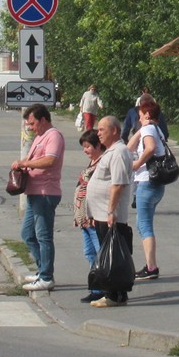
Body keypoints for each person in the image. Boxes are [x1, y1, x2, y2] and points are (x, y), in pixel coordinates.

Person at [10, 104, 64, 292]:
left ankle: (47, 277)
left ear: (43, 119)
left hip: (46, 192)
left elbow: (50, 160)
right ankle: (43, 270)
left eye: (32, 123)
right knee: (28, 234)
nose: (30, 127)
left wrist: (25, 162)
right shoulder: (39, 137)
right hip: (34, 192)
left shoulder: (53, 136)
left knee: (43, 236)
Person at [86, 116, 134, 307]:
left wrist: (111, 211)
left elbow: (117, 184)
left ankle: (116, 295)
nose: (98, 133)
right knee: (108, 253)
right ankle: (111, 291)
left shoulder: (119, 152)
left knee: (114, 255)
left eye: (102, 129)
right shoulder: (111, 151)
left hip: (111, 215)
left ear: (114, 131)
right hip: (101, 213)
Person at [128, 100, 170, 279]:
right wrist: (140, 129)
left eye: (140, 114)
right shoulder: (154, 129)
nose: (138, 117)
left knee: (144, 225)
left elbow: (150, 148)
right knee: (143, 224)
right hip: (155, 183)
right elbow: (129, 147)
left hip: (147, 182)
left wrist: (138, 163)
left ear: (146, 114)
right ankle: (150, 265)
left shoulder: (148, 130)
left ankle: (151, 267)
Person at [73, 127, 105, 304]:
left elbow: (96, 192)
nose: (85, 150)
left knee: (99, 253)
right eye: (83, 147)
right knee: (90, 253)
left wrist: (91, 214)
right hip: (84, 219)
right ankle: (96, 288)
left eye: (88, 146)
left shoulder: (101, 164)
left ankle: (101, 288)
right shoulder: (93, 163)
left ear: (98, 145)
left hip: (93, 218)